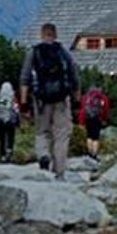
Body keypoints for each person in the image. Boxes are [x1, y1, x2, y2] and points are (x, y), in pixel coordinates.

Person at [20, 23, 80, 179]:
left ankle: (44, 155)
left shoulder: (33, 52)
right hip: (61, 100)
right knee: (61, 135)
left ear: (42, 34)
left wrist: (24, 102)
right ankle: (59, 172)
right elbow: (75, 78)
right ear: (55, 34)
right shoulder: (63, 53)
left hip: (40, 100)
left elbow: (25, 79)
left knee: (42, 132)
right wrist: (77, 101)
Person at [79, 86, 110, 160]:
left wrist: (81, 121)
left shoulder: (85, 97)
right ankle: (94, 154)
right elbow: (106, 109)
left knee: (89, 136)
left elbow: (83, 109)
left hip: (88, 118)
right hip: (98, 119)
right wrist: (104, 119)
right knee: (96, 138)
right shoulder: (103, 98)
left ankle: (90, 153)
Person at [0, 82, 20, 163]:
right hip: (11, 122)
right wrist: (18, 122)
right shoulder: (13, 98)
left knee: (1, 138)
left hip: (0, 121)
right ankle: (9, 151)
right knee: (11, 137)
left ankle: (2, 155)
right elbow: (16, 110)